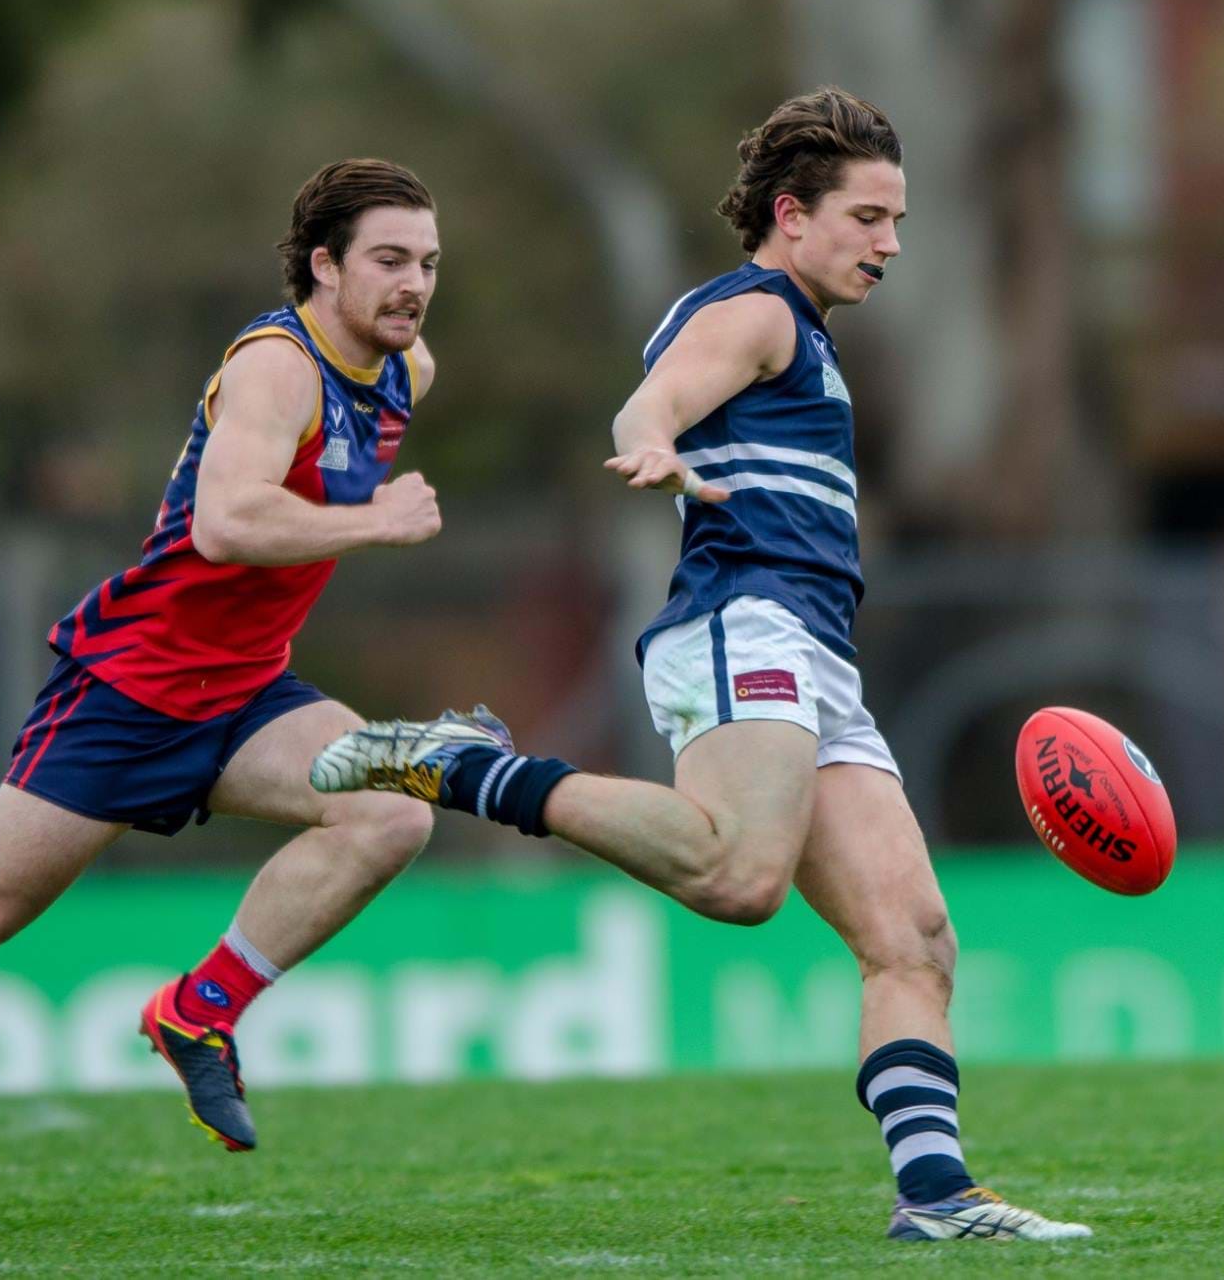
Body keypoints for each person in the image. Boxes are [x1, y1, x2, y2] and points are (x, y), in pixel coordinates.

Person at [311, 90, 1090, 1243]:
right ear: (791, 214)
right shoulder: (760, 309)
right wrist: (653, 448)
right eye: (867, 217)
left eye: (897, 221)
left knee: (914, 940)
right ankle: (468, 766)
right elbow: (651, 403)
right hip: (745, 623)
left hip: (814, 651)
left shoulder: (800, 330)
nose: (888, 243)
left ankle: (935, 1198)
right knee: (737, 878)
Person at [0, 158, 498, 1215]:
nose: (414, 284)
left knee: (391, 812)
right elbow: (225, 524)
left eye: (427, 262)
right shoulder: (276, 367)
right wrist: (374, 520)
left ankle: (199, 1011)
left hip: (247, 696)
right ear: (324, 265)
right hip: (130, 693)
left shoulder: (405, 370)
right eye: (389, 259)